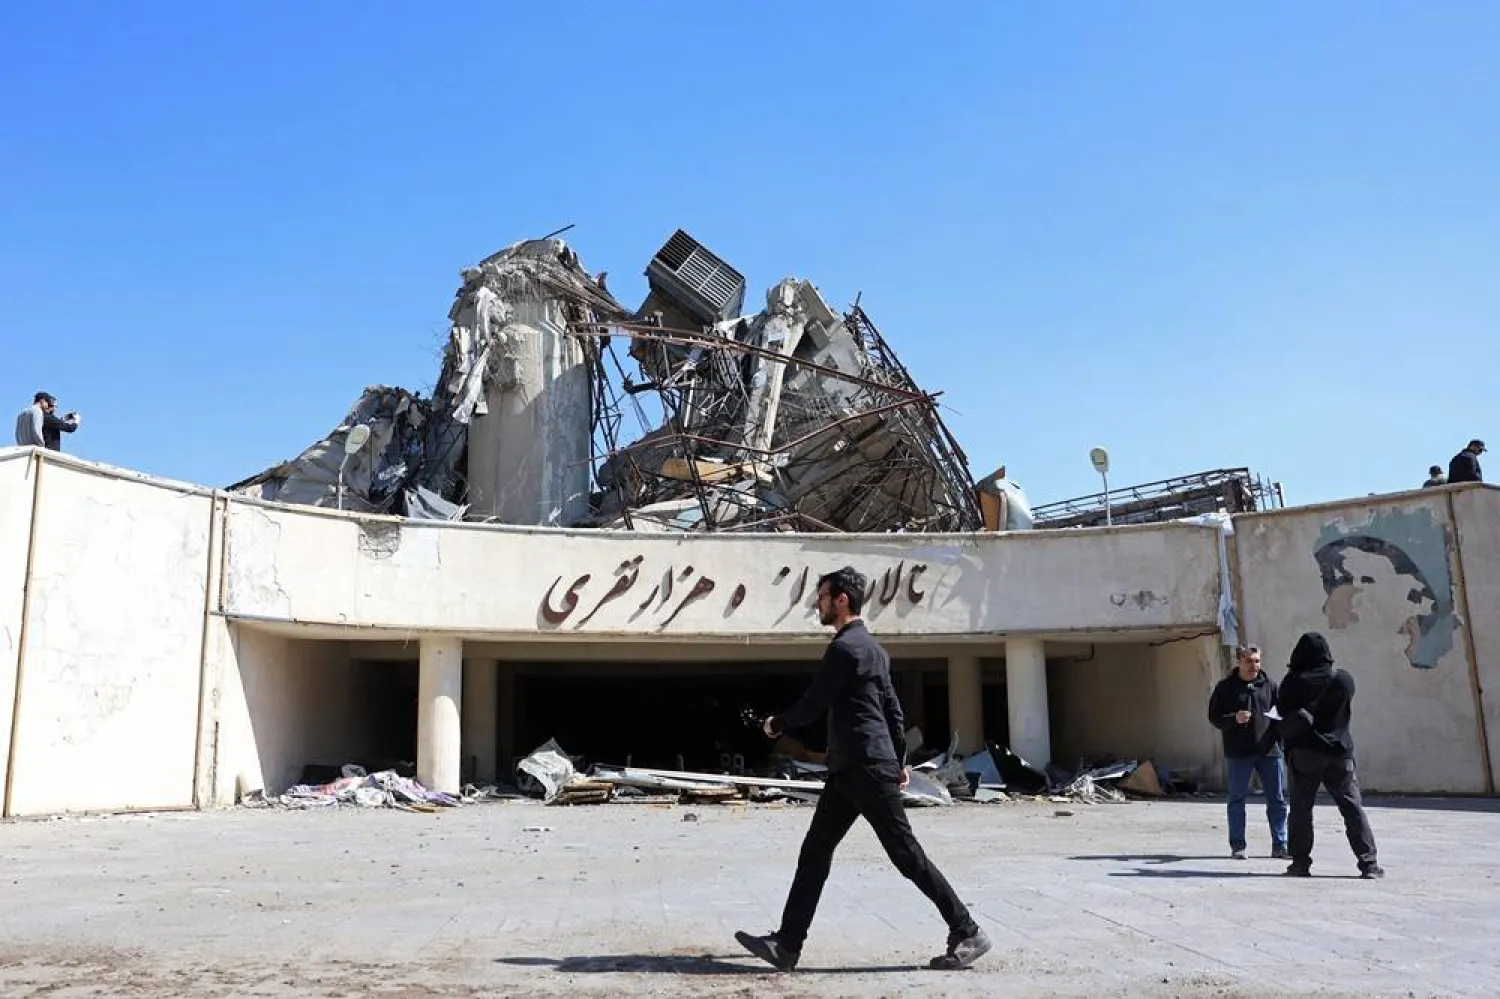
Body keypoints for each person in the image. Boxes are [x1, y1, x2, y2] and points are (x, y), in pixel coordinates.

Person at [735, 566, 990, 972]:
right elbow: (893, 709)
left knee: (906, 855)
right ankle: (787, 945)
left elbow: (814, 703)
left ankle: (967, 930)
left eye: (822, 596)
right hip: (852, 769)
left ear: (842, 600)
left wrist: (776, 724)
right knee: (815, 852)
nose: (817, 603)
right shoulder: (873, 649)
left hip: (865, 768)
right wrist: (900, 760)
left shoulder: (845, 649)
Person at [1276, 632, 1384, 879]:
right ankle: (1368, 863)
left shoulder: (1292, 682)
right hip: (1339, 753)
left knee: (1301, 810)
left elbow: (1281, 713)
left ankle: (1300, 864)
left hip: (1304, 753)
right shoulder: (1343, 679)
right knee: (1352, 808)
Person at [1207, 645, 1288, 860]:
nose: (1254, 666)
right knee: (1237, 799)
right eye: (1249, 661)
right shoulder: (1225, 687)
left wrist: (1281, 737)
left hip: (1269, 751)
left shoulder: (1270, 686)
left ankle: (1280, 844)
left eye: (1257, 661)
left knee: (1277, 799)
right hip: (1239, 752)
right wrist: (1233, 719)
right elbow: (1214, 717)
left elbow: (1282, 714)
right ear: (1239, 662)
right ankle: (1238, 845)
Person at [13, 392, 80, 452]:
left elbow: (17, 433)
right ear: (42, 401)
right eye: (47, 402)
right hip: (46, 452)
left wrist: (61, 420)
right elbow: (37, 431)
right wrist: (76, 421)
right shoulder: (39, 413)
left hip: (25, 449)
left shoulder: (24, 412)